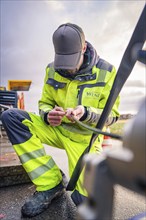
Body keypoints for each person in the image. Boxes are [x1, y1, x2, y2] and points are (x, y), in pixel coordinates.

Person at [1, 23, 120, 217]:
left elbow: (113, 116)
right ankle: (51, 183)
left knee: (85, 204)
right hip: (57, 130)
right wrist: (48, 115)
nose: (68, 69)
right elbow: (44, 102)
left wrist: (87, 113)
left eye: (72, 61)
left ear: (83, 48)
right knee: (11, 117)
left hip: (85, 139)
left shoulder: (108, 72)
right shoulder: (51, 69)